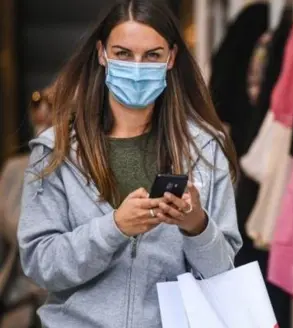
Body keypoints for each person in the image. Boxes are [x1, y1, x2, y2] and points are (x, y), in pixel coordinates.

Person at [17, 1, 242, 327]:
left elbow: (224, 275)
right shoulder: (57, 151)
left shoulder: (204, 151)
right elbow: (41, 265)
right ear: (101, 54)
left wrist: (197, 226)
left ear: (171, 58)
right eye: (123, 53)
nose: (137, 67)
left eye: (152, 55)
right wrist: (114, 227)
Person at [0, 87, 53, 328]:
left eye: (51, 104)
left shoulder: (84, 166)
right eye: (36, 103)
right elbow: (14, 229)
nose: (42, 111)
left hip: (69, 306)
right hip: (21, 303)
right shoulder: (15, 169)